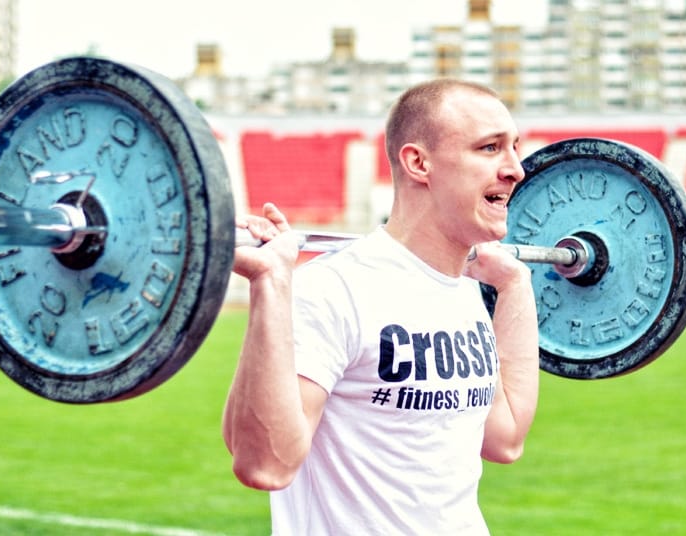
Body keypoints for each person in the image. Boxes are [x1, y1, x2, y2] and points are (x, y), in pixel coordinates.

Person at [223, 78, 540, 535]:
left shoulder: (463, 291)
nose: (516, 170)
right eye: (489, 148)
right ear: (418, 163)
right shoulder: (332, 290)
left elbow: (505, 438)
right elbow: (264, 464)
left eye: (514, 148)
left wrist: (515, 286)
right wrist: (271, 284)